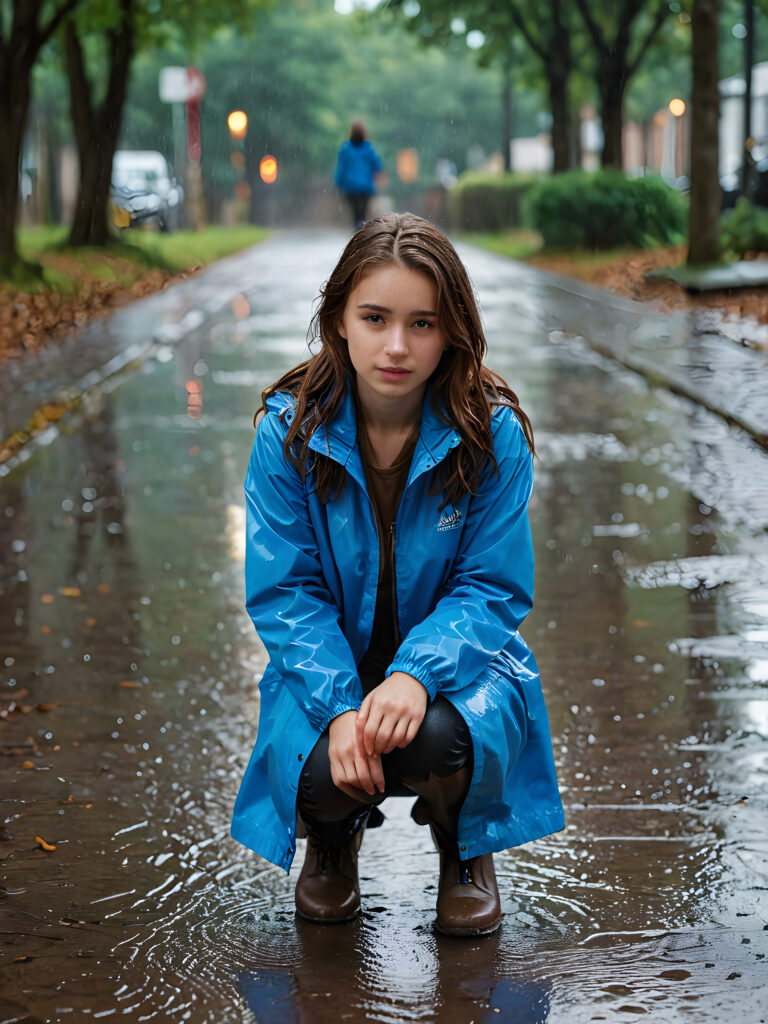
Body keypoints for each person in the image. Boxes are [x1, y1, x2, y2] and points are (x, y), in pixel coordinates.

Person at [231, 213, 564, 936]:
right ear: (337, 319)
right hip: (332, 665)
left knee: (444, 737)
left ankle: (463, 847)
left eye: (422, 323)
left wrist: (416, 674)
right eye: (374, 317)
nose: (395, 346)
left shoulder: (493, 435)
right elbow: (286, 592)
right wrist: (339, 707)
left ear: (452, 332)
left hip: (458, 670)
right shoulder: (287, 435)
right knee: (319, 762)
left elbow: (493, 587)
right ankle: (331, 838)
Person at [334, 120, 384, 231]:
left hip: (350, 186)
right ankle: (361, 227)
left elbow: (341, 168)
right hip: (365, 186)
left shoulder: (345, 149)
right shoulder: (368, 148)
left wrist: (338, 183)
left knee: (355, 210)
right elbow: (377, 165)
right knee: (363, 211)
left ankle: (357, 228)